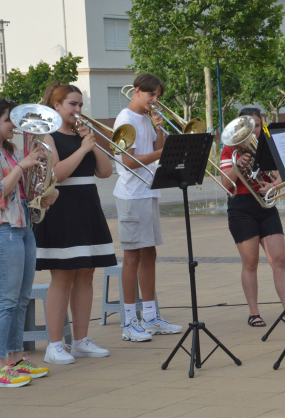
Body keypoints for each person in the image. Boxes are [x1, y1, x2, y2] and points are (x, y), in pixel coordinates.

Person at [0, 97, 58, 387]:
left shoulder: (6, 150)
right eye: (9, 121)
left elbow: (20, 190)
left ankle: (16, 359)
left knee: (20, 299)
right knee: (6, 301)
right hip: (0, 229)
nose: (15, 127)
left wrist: (42, 192)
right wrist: (22, 164)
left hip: (21, 226)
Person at [33, 83, 117, 365]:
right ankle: (55, 344)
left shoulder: (83, 136)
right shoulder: (48, 135)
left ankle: (81, 340)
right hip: (62, 206)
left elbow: (105, 172)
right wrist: (83, 149)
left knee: (86, 272)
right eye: (72, 104)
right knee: (63, 275)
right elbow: (57, 174)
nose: (78, 110)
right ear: (56, 106)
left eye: (80, 105)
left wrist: (92, 144)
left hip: (87, 204)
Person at [113, 73, 182, 342]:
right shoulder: (125, 119)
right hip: (131, 194)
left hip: (148, 191)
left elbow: (156, 148)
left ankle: (151, 316)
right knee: (132, 256)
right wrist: (158, 154)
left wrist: (159, 128)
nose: (155, 101)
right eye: (151, 95)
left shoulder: (144, 118)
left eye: (158, 97)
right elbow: (127, 162)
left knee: (149, 253)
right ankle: (130, 321)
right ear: (137, 91)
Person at [220, 108, 285, 327]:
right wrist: (237, 165)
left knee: (279, 259)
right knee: (250, 262)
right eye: (249, 128)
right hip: (241, 208)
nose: (254, 133)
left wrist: (273, 185)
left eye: (257, 127)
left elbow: (281, 174)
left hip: (265, 206)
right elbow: (226, 185)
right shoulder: (229, 150)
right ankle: (254, 313)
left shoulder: (267, 145)